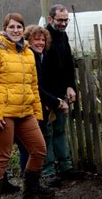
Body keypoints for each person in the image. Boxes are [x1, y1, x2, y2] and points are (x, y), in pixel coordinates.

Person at [0, 13, 53, 198]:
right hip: (3, 113)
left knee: (39, 150)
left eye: (19, 27)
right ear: (5, 29)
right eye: (11, 27)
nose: (15, 30)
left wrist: (38, 114)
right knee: (1, 157)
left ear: (23, 29)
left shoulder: (27, 52)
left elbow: (33, 85)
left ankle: (30, 191)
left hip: (26, 112)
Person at [22, 25, 69, 187]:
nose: (40, 42)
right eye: (36, 39)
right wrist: (53, 101)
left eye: (43, 39)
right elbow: (35, 86)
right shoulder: (29, 58)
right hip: (36, 105)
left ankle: (63, 168)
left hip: (47, 100)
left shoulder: (41, 56)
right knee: (44, 138)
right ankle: (47, 174)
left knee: (55, 133)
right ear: (28, 40)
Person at [42, 4, 84, 181]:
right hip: (45, 95)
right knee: (46, 133)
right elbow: (39, 71)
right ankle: (48, 171)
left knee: (60, 130)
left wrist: (70, 86)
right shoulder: (42, 38)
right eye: (60, 20)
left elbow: (67, 64)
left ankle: (65, 166)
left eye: (66, 20)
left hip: (61, 93)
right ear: (50, 19)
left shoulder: (63, 36)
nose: (64, 23)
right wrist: (45, 97)